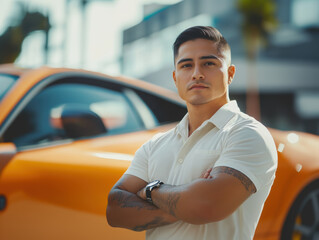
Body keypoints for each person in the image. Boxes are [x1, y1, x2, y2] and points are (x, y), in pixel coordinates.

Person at [106, 26, 277, 240]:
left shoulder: (248, 134)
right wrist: (187, 202)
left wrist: (149, 191)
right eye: (186, 65)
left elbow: (206, 207)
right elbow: (114, 209)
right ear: (175, 77)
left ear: (230, 74)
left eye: (209, 63)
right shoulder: (155, 145)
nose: (197, 73)